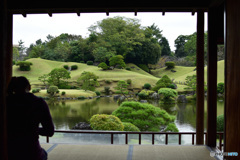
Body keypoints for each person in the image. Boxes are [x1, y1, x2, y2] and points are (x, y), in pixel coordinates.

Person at [6, 76, 54, 160]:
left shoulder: (6, 102)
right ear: (29, 87)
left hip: (8, 151)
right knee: (44, 153)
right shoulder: (39, 102)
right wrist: (33, 129)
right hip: (32, 151)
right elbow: (49, 131)